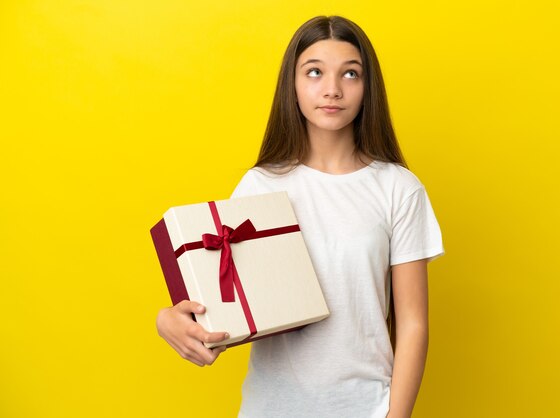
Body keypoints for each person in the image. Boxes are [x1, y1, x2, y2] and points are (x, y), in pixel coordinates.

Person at [156, 15, 444, 418]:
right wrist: (167, 320)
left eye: (350, 74)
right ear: (292, 84)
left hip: (367, 408)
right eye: (314, 72)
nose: (332, 89)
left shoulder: (399, 188)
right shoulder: (260, 186)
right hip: (270, 408)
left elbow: (413, 324)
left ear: (368, 88)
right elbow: (218, 305)